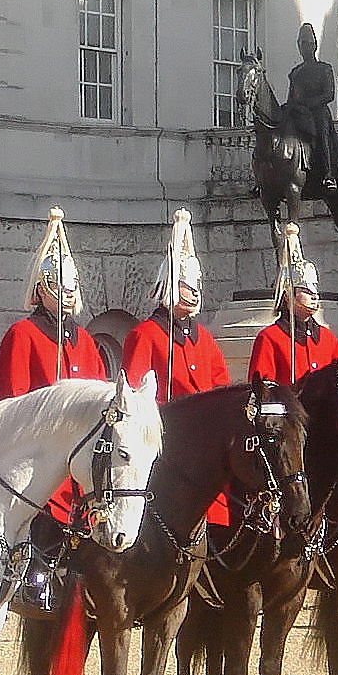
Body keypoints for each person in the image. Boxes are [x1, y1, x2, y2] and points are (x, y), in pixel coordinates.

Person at [0, 207, 107, 621]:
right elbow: (12, 402)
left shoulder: (87, 341)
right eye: (60, 287)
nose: (69, 295)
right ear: (41, 290)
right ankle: (30, 573)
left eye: (72, 288)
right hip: (38, 453)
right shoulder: (22, 335)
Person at [122, 210, 233, 530]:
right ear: (170, 284)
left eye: (197, 284)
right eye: (187, 284)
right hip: (169, 447)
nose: (195, 290)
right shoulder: (145, 334)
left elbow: (220, 392)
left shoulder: (206, 340)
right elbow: (135, 397)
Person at [249, 223, 338, 386]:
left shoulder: (329, 339)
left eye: (315, 290)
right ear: (288, 296)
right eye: (306, 290)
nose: (314, 295)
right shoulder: (270, 338)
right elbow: (262, 388)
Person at [286, 22, 338, 193]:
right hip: (298, 113)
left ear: (314, 45)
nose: (304, 48)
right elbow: (291, 97)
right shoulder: (296, 72)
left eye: (307, 44)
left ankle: (328, 174)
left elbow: (329, 94)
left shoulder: (324, 69)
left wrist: (308, 105)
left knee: (322, 134)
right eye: (301, 44)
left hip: (318, 113)